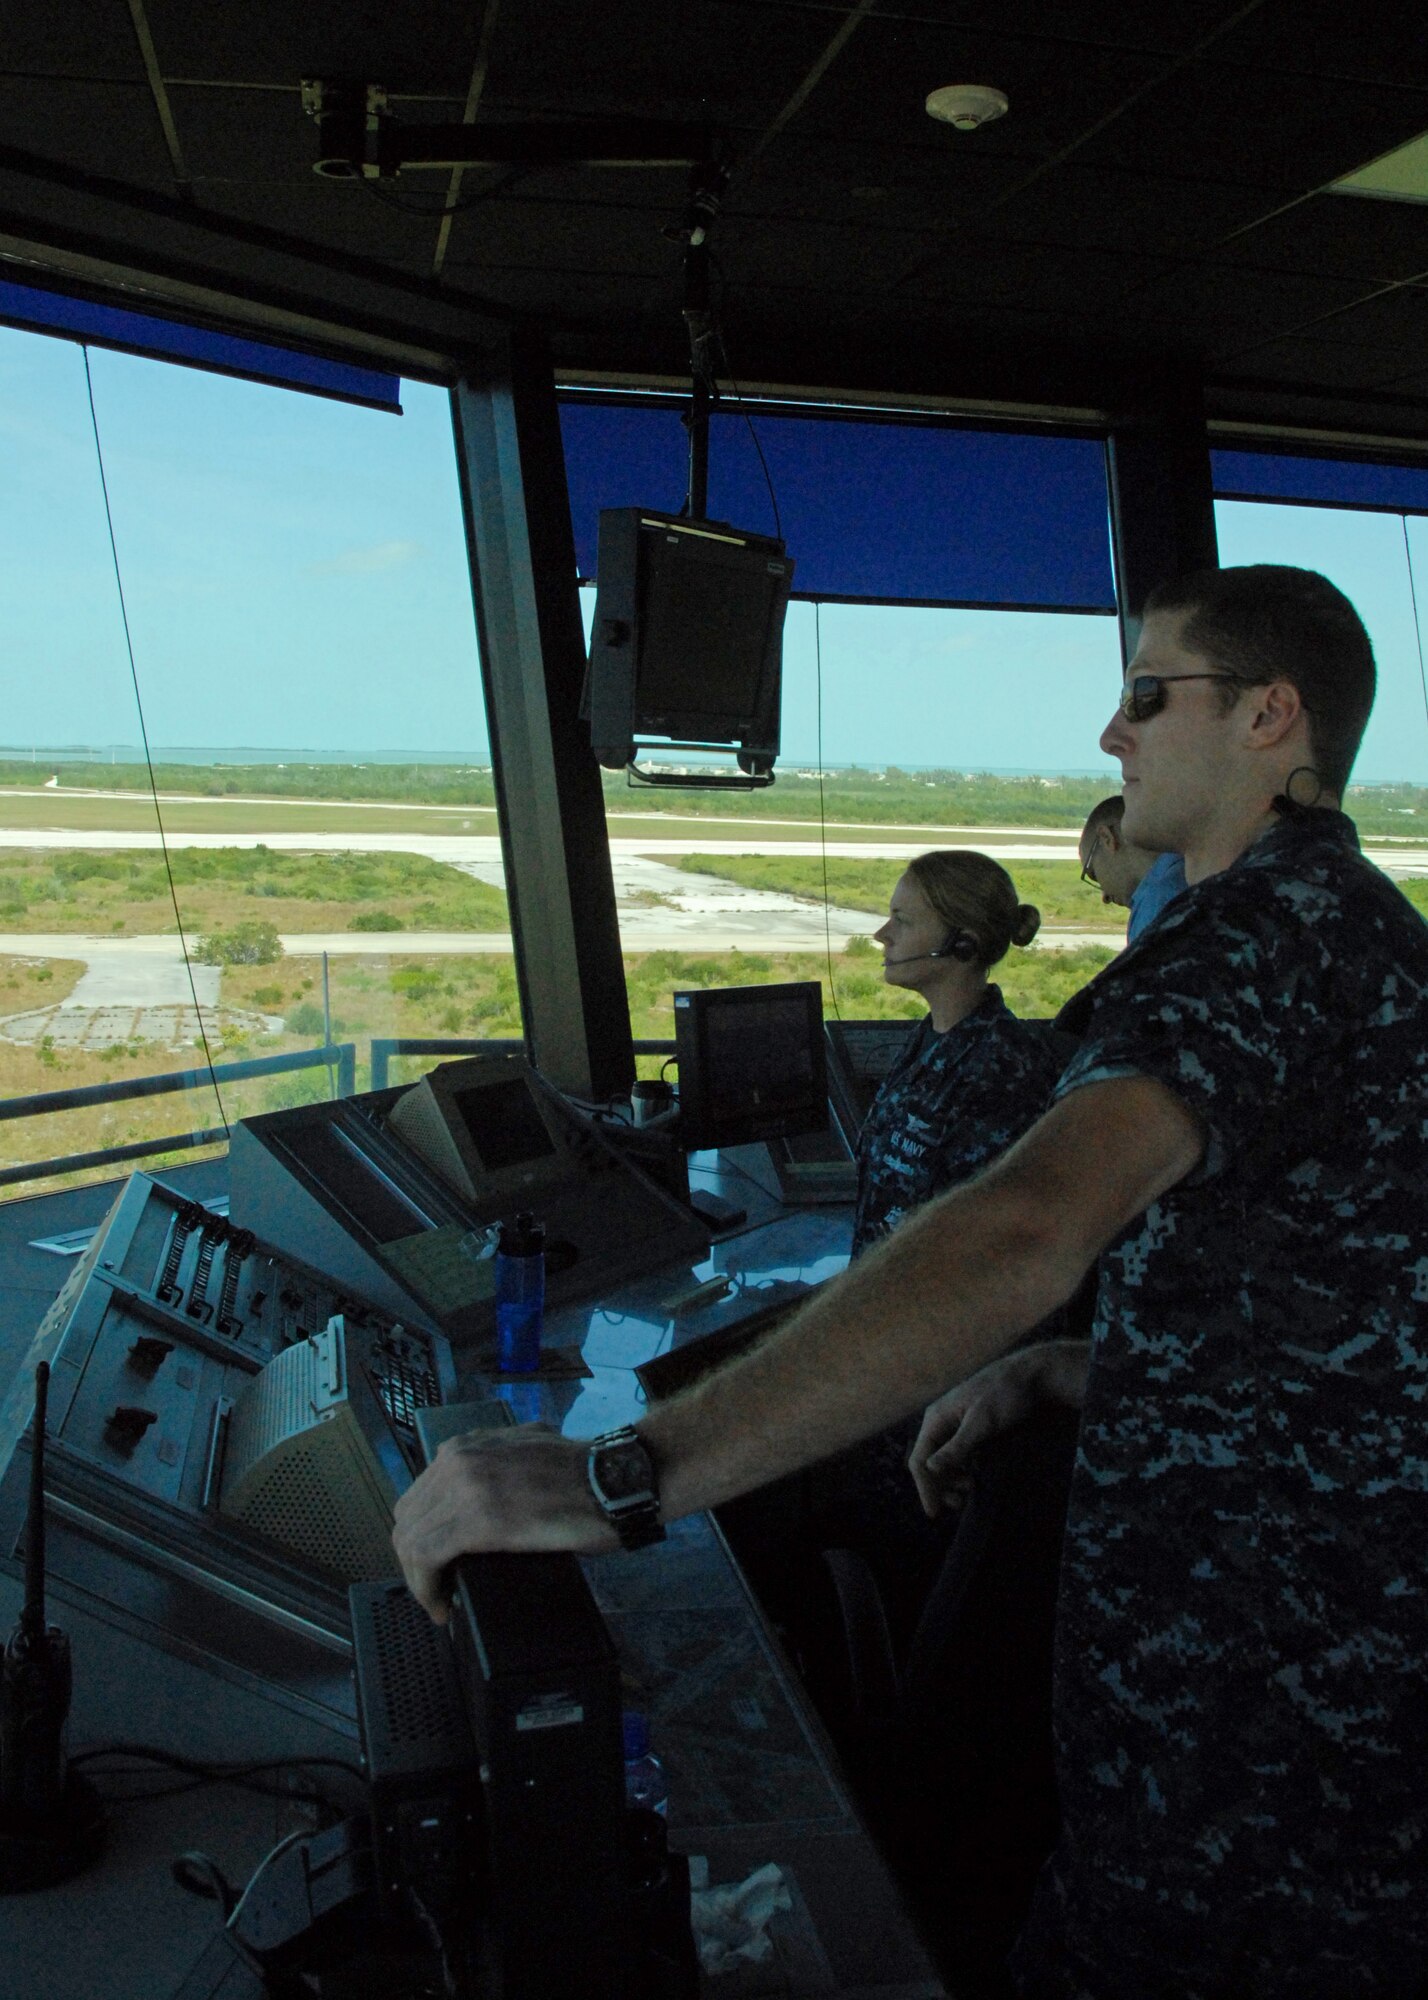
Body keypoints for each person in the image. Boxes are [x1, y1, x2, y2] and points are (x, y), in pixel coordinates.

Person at [394, 564, 1428, 1997]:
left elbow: (1025, 1227)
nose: (1113, 736)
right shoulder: (1350, 929)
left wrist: (625, 1477)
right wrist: (1072, 1367)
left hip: (1252, 1737)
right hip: (1292, 1706)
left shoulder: (1259, 931)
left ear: (1271, 717)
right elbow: (1337, 1311)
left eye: (1147, 694)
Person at [855, 848, 1061, 1254]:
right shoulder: (930, 1040)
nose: (883, 934)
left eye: (902, 920)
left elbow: (985, 1245)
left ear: (963, 944)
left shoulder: (1005, 1073)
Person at [1078, 794, 1186, 940]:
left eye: (1094, 875)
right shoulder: (1189, 870)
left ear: (1107, 838)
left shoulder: (1157, 900)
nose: (1105, 897)